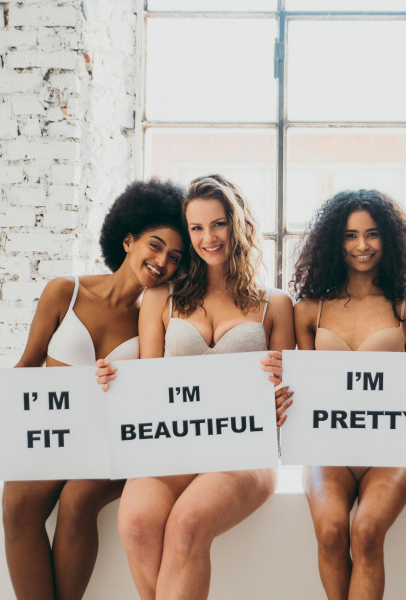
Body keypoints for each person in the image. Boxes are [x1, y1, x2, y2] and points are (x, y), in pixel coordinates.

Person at [0, 180, 188, 600]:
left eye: (174, 257)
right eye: (154, 246)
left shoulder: (159, 312)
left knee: (79, 499)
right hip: (57, 436)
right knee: (18, 504)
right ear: (128, 238)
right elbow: (26, 368)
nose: (161, 262)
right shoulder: (65, 291)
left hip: (114, 443)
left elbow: (159, 389)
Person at [98, 174, 295, 600]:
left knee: (187, 523)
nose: (209, 237)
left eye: (218, 223)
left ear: (237, 223)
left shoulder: (274, 304)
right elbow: (148, 386)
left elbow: (289, 394)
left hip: (245, 450)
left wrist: (283, 394)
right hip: (174, 443)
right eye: (196, 228)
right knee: (136, 523)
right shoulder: (161, 299)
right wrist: (114, 379)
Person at [289, 189, 406, 600]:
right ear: (334, 241)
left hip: (389, 451)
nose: (362, 246)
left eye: (372, 234)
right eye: (350, 236)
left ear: (389, 239)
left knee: (367, 531)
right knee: (332, 531)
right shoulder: (308, 309)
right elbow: (304, 388)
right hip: (329, 448)